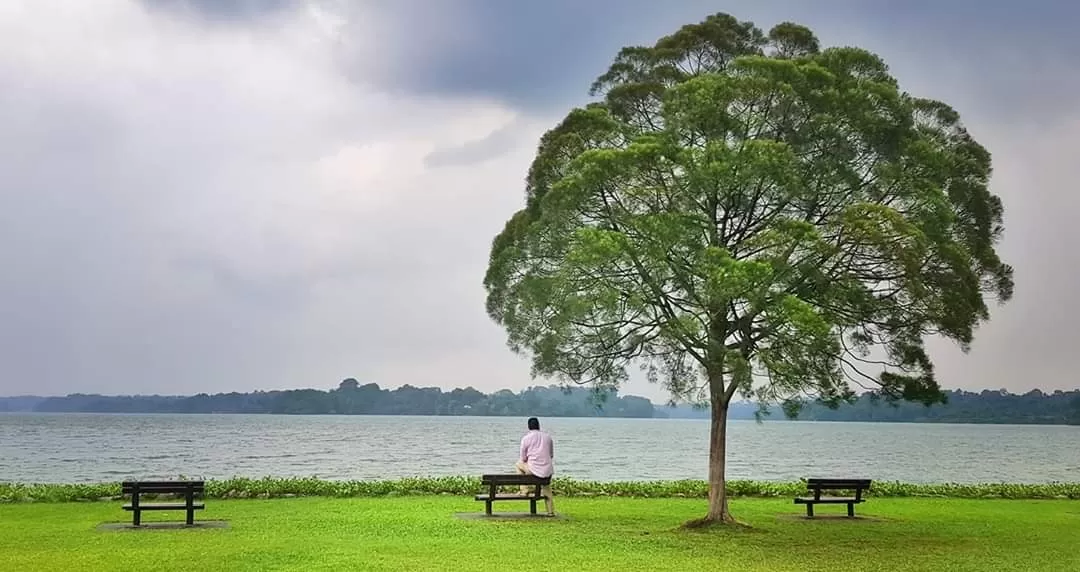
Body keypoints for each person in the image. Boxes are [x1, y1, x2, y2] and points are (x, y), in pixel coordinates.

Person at [515, 416, 555, 516]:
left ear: (529, 427)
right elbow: (551, 455)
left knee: (518, 464)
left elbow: (523, 458)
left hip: (533, 471)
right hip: (547, 472)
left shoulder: (526, 439)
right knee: (547, 489)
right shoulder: (548, 437)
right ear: (538, 426)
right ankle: (550, 512)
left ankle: (524, 490)